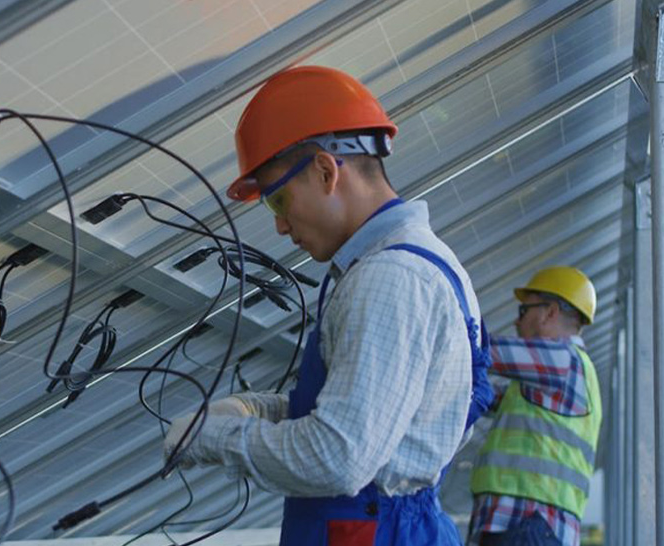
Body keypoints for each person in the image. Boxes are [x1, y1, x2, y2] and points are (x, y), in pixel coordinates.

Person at [163, 65, 493, 545]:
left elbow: (338, 456)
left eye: (278, 201)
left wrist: (212, 439)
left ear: (325, 170)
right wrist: (257, 410)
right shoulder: (410, 263)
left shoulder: (389, 279)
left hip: (374, 530)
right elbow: (372, 411)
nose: (279, 226)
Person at [468, 267, 603, 546]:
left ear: (549, 312)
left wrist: (446, 330)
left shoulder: (563, 360)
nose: (518, 323)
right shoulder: (563, 376)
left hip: (525, 523)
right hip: (534, 526)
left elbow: (486, 353)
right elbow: (490, 396)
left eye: (523, 311)